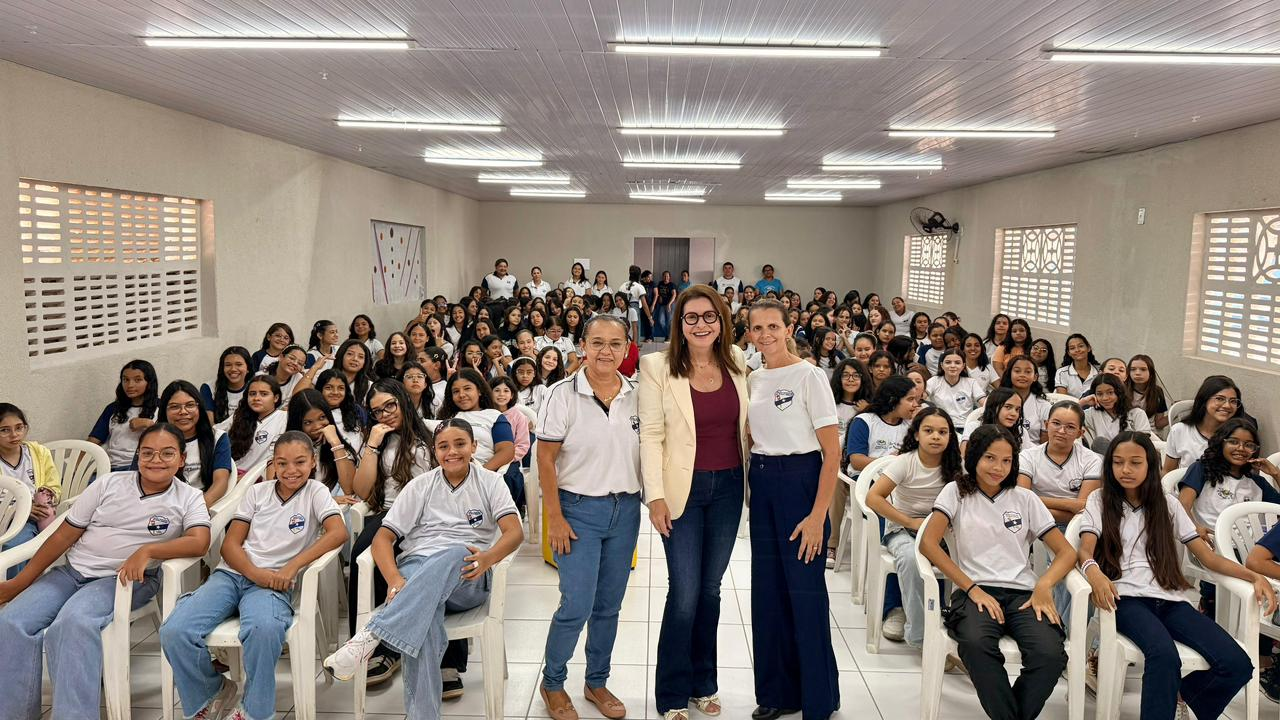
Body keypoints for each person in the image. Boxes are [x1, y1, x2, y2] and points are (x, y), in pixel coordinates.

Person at [0, 423, 211, 719]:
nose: (156, 460)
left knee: (72, 624)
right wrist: (19, 583)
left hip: (123, 580)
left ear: (181, 458)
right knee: (11, 621)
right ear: (138, 455)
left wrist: (148, 550)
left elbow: (200, 542)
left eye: (167, 453)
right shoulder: (108, 483)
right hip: (71, 573)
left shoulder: (188, 497)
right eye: (147, 453)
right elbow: (63, 535)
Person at [324, 419, 524, 719]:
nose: (452, 451)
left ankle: (373, 635)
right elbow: (382, 538)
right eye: (443, 446)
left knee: (456, 550)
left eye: (459, 444)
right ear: (435, 451)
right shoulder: (421, 485)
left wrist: (488, 558)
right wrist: (393, 580)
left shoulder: (490, 482)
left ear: (474, 447)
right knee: (425, 618)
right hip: (416, 572)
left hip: (470, 573)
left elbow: (514, 532)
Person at [1079, 431, 1274, 720]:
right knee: (1164, 656)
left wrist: (1253, 576)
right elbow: (1085, 551)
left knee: (1238, 663)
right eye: (1118, 462)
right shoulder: (1100, 499)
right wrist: (1094, 574)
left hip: (1169, 598)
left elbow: (1207, 557)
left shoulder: (1167, 503)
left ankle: (1182, 695)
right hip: (1125, 598)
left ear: (1150, 466)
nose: (1125, 470)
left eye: (1135, 462)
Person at [161, 431, 346, 720]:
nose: (291, 470)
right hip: (233, 575)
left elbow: (338, 532)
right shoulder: (257, 492)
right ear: (273, 464)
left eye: (299, 462)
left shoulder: (316, 493)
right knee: (175, 630)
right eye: (282, 463)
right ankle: (210, 692)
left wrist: (291, 567)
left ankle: (254, 711)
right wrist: (253, 572)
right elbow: (230, 544)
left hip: (273, 583)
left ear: (312, 463)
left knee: (264, 629)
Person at [638, 285, 748, 720]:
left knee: (711, 590)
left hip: (728, 488)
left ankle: (704, 684)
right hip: (681, 491)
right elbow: (650, 435)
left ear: (721, 321)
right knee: (684, 593)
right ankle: (670, 692)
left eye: (709, 316)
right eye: (691, 317)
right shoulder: (657, 366)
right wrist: (656, 496)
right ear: (679, 324)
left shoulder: (736, 361)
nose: (700, 324)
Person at [920, 424, 1073, 720]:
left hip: (1024, 594)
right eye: (990, 458)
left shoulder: (1025, 498)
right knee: (976, 646)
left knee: (1050, 655)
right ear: (975, 456)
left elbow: (1067, 552)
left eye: (1006, 461)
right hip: (974, 592)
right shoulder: (956, 492)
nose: (998, 468)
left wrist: (1044, 585)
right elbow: (928, 544)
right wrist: (971, 588)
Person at [539, 314, 641, 720]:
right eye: (597, 343)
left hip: (626, 509)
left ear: (627, 348)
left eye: (615, 344)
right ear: (582, 345)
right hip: (578, 510)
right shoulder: (562, 394)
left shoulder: (637, 394)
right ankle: (553, 683)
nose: (606, 352)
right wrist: (556, 519)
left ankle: (596, 680)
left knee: (609, 605)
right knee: (576, 604)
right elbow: (545, 460)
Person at [743, 299, 841, 720]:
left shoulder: (810, 376)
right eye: (757, 328)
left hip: (801, 481)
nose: (765, 334)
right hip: (763, 482)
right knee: (768, 592)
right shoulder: (753, 379)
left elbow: (832, 453)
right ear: (748, 334)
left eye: (773, 326)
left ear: (788, 328)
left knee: (805, 593)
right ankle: (777, 693)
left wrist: (818, 515)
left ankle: (819, 698)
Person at [350, 379, 437, 688]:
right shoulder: (378, 440)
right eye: (376, 411)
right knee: (362, 554)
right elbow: (360, 490)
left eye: (390, 406)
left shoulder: (428, 436)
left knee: (388, 555)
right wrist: (372, 445)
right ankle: (370, 642)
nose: (385, 414)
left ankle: (392, 644)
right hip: (387, 512)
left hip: (423, 515)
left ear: (402, 401)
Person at [866, 407, 963, 651]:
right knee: (910, 558)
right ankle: (922, 637)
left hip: (941, 531)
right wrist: (909, 522)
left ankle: (958, 625)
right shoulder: (905, 462)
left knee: (972, 555)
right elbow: (873, 498)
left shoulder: (954, 466)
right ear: (917, 434)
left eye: (943, 432)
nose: (936, 437)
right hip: (902, 528)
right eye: (928, 431)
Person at [0, 404, 61, 578]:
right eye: (5, 430)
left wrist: (45, 498)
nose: (14, 435)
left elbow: (54, 484)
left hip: (34, 518)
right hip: (5, 517)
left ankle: (14, 591)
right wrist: (20, 510)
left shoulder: (38, 453)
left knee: (14, 548)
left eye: (19, 428)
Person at [153, 380, 232, 507]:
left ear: (199, 407)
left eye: (190, 405)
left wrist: (198, 508)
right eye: (174, 406)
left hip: (200, 503)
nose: (183, 412)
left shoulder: (218, 438)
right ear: (164, 410)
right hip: (160, 503)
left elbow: (221, 481)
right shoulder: (153, 439)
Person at [1163, 375, 1245, 474]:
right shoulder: (1180, 430)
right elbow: (1167, 471)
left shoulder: (1239, 435)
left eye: (1233, 401)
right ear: (1204, 400)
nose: (1227, 405)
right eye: (1219, 399)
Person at [88, 359, 159, 471]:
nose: (130, 385)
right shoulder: (113, 408)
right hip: (110, 466)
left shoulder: (160, 407)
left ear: (149, 382)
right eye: (125, 380)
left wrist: (148, 423)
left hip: (142, 467)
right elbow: (93, 442)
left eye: (137, 380)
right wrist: (76, 468)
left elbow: (171, 436)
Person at [226, 376, 288, 474]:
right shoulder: (239, 416)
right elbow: (215, 433)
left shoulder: (284, 418)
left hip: (262, 478)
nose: (256, 398)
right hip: (232, 475)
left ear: (276, 398)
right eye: (252, 394)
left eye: (264, 394)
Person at [1083, 374, 1152, 451]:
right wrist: (1083, 402)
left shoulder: (1137, 413)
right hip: (1105, 458)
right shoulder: (1092, 414)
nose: (1105, 398)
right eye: (1099, 394)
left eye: (1110, 392)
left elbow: (1144, 443)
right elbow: (1068, 415)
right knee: (1099, 443)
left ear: (1119, 392)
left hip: (1132, 455)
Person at [926, 349, 987, 429]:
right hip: (941, 426)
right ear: (941, 365)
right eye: (948, 362)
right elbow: (921, 398)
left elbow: (985, 403)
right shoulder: (934, 381)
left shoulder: (971, 382)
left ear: (963, 366)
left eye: (957, 363)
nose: (952, 366)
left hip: (966, 427)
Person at [998, 356, 1052, 444]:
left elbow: (1044, 444)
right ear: (1009, 373)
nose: (1022, 375)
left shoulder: (1044, 405)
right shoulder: (995, 399)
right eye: (1017, 371)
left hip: (1032, 454)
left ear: (1035, 377)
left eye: (1028, 372)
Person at [960, 386, 1025, 456]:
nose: (1014, 414)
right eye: (1008, 407)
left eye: (1017, 409)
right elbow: (963, 457)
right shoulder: (974, 427)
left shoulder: (1021, 432)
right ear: (994, 407)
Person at [201, 347, 253, 425]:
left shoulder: (255, 387)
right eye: (228, 365)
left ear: (248, 368)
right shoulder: (208, 388)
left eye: (239, 364)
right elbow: (210, 423)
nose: (233, 369)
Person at [1127, 354, 1170, 432]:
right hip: (1128, 432)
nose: (1137, 373)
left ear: (1151, 373)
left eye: (1143, 369)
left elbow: (1159, 423)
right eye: (1133, 369)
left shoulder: (1158, 392)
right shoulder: (1122, 389)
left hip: (1151, 433)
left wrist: (1175, 413)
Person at [1054, 333, 1100, 398]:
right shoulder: (1062, 372)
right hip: (1069, 407)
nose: (1077, 350)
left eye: (1081, 346)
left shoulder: (1099, 372)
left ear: (1089, 348)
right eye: (1072, 348)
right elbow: (1062, 399)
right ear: (1069, 353)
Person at [652, 271, 678, 342]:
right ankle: (668, 334)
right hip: (662, 305)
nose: (666, 277)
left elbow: (674, 295)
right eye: (664, 276)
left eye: (667, 276)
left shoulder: (672, 285)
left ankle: (669, 337)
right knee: (661, 321)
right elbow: (657, 293)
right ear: (662, 277)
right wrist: (659, 296)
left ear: (669, 277)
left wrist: (669, 304)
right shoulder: (660, 283)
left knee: (669, 321)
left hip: (670, 305)